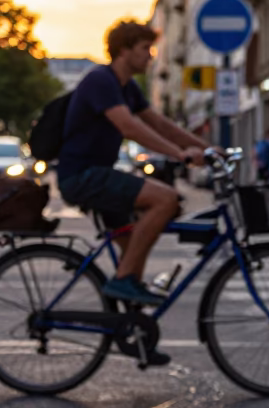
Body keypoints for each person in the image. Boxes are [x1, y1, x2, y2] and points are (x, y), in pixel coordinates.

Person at [58, 19, 209, 325]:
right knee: (165, 200)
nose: (151, 56)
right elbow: (129, 126)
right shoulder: (101, 80)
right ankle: (123, 281)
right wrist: (180, 154)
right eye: (145, 49)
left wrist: (205, 149)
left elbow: (159, 123)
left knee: (134, 255)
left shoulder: (128, 87)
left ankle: (134, 331)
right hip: (83, 177)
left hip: (98, 174)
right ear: (124, 51)